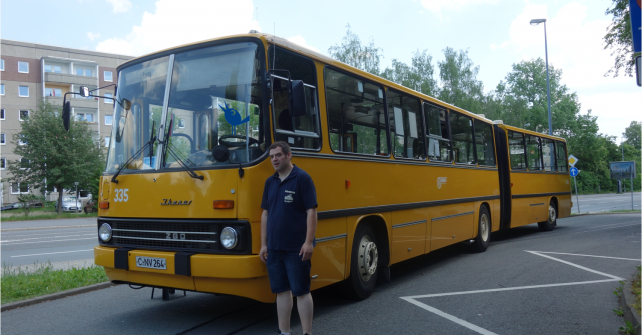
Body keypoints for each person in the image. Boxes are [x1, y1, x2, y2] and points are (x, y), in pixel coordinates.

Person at [260, 141, 317, 335]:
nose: (274, 159)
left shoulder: (302, 178)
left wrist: (308, 242)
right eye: (271, 157)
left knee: (301, 291)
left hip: (297, 247)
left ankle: (307, 333)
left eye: (278, 155)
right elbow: (265, 214)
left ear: (288, 155)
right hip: (274, 248)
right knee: (281, 291)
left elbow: (311, 211)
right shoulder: (270, 182)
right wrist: (263, 245)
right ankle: (284, 332)